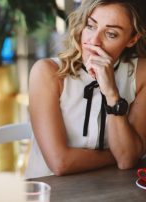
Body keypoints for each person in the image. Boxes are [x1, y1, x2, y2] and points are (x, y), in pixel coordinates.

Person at [25, 0, 146, 178]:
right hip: (50, 191)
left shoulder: (141, 74)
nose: (94, 41)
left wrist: (111, 93)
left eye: (111, 34)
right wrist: (117, 155)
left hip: (115, 190)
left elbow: (127, 161)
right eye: (90, 26)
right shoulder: (47, 72)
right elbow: (60, 163)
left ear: (132, 39)